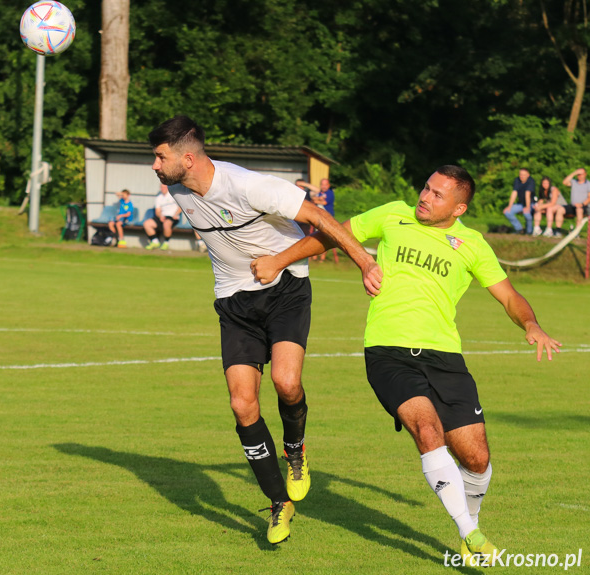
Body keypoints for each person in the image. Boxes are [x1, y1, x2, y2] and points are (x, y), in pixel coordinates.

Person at [251, 165, 560, 564]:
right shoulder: (392, 213)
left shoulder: (472, 244)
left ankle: (470, 528)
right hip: (388, 352)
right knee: (427, 429)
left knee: (477, 459)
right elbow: (332, 234)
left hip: (445, 357)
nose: (425, 198)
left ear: (459, 207)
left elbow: (509, 296)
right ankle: (471, 534)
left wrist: (531, 324)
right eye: (425, 188)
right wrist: (279, 259)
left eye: (437, 195)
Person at [149, 115, 381, 544]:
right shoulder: (177, 187)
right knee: (242, 406)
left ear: (187, 157)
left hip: (285, 289)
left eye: (160, 157)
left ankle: (296, 449)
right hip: (233, 301)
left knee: (286, 382)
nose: (155, 166)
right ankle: (278, 503)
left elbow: (324, 220)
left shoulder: (250, 185)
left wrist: (365, 263)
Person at [297, 178, 336, 261]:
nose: (323, 186)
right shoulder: (320, 193)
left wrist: (304, 184)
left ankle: (322, 258)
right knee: (316, 236)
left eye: (325, 184)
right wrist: (318, 199)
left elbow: (324, 202)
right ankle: (314, 257)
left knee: (325, 236)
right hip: (318, 218)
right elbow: (314, 200)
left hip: (327, 217)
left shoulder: (329, 193)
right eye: (322, 184)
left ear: (328, 185)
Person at [144, 184, 181, 250]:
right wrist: (160, 216)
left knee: (166, 224)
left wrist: (175, 214)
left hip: (172, 216)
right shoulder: (159, 198)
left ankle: (166, 242)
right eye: (161, 187)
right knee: (147, 223)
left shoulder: (173, 195)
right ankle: (155, 242)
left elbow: (181, 207)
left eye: (164, 187)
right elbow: (157, 211)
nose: (162, 188)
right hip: (162, 216)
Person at [502, 168, 535, 234]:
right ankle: (519, 229)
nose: (522, 176)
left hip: (531, 203)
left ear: (528, 175)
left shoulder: (531, 181)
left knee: (527, 213)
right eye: (521, 174)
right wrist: (509, 206)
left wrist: (527, 207)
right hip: (521, 204)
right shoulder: (517, 180)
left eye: (524, 175)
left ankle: (529, 232)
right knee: (507, 212)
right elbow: (514, 193)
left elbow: (527, 194)